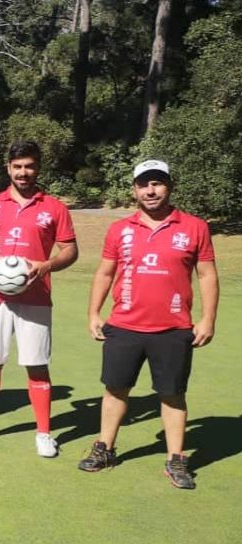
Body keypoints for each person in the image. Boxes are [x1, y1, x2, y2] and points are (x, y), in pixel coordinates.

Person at [79, 159, 219, 489]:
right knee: (115, 389)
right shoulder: (119, 229)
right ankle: (105, 448)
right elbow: (105, 273)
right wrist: (93, 313)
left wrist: (208, 318)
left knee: (172, 394)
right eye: (144, 183)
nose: (150, 189)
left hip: (173, 329)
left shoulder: (195, 227)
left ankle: (176, 459)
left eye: (157, 182)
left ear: (169, 186)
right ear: (135, 189)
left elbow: (207, 275)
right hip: (125, 325)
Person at [0, 140, 78, 457]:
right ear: (8, 168)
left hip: (36, 299)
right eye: (17, 166)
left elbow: (70, 251)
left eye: (29, 166)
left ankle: (43, 432)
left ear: (38, 167)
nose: (23, 172)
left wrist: (47, 265)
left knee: (37, 366)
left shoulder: (54, 208)